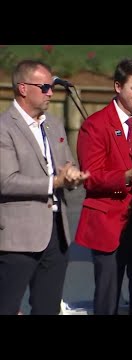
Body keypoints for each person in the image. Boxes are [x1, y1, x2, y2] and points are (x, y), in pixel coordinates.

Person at [75, 58, 132, 315]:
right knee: (107, 298)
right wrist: (128, 174)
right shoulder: (95, 125)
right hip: (109, 223)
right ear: (118, 86)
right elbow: (90, 177)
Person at [0, 59, 90, 315]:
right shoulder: (4, 128)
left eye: (52, 86)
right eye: (45, 87)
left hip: (56, 234)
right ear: (23, 88)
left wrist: (72, 175)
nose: (51, 92)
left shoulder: (53, 123)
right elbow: (6, 180)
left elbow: (65, 164)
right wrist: (54, 182)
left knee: (48, 308)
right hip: (18, 238)